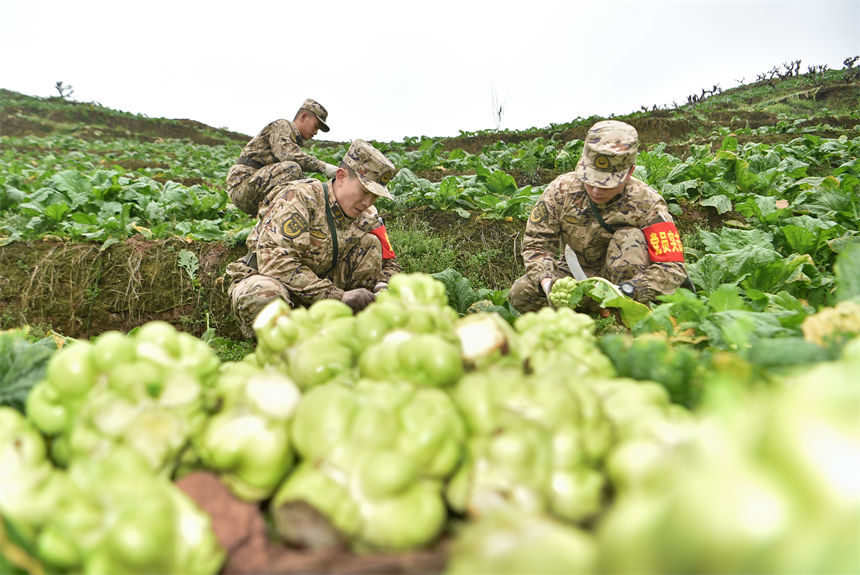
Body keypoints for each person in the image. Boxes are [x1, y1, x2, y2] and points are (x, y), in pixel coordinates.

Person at [509, 119, 688, 313]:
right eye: (590, 180)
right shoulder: (561, 191)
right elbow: (537, 241)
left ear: (630, 172)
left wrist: (627, 291)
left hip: (623, 285)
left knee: (629, 239)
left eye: (606, 183)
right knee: (521, 293)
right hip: (573, 274)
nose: (595, 190)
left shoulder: (648, 203)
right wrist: (548, 284)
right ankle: (577, 324)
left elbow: (672, 268)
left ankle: (623, 319)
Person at [226, 139, 401, 338]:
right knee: (262, 296)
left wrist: (383, 289)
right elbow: (276, 263)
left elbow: (390, 261)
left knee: (371, 244)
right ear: (341, 177)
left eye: (375, 196)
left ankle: (345, 331)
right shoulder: (298, 197)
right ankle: (283, 344)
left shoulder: (368, 215)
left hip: (320, 286)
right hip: (271, 279)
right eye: (364, 191)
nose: (368, 202)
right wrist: (338, 296)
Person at [226, 98, 340, 216]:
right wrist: (324, 167)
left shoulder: (290, 140)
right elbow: (288, 156)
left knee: (303, 186)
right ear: (304, 116)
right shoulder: (283, 125)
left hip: (252, 186)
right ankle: (270, 214)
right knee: (292, 168)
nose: (316, 132)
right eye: (316, 126)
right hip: (243, 185)